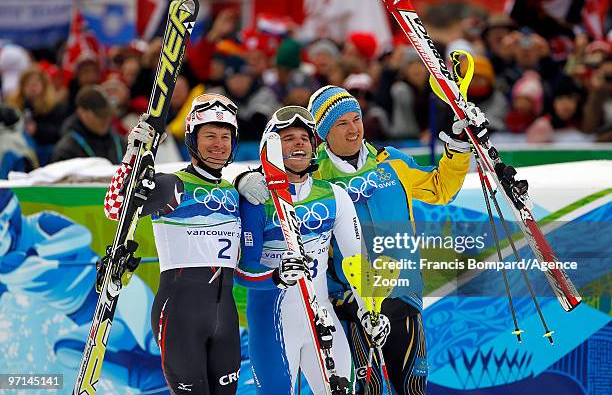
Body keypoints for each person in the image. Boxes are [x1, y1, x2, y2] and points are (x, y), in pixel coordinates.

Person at [235, 86, 487, 394]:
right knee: (366, 390)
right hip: (350, 302)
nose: (353, 129)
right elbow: (279, 177)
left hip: (402, 293)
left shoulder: (390, 161)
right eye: (341, 124)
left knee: (413, 387)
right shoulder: (317, 176)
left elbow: (440, 188)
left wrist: (460, 147)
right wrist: (244, 179)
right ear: (324, 133)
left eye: (356, 119)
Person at [234, 106, 383, 394]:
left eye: (304, 138)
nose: (299, 143)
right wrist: (276, 277)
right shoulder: (257, 197)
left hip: (320, 314)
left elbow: (357, 261)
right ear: (271, 147)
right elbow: (243, 271)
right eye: (288, 138)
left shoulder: (334, 195)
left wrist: (371, 311)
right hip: (272, 320)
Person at [103, 93, 242, 394]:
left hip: (225, 315)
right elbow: (115, 209)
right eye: (209, 136)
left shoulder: (234, 192)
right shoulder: (172, 184)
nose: (219, 144)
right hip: (180, 313)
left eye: (225, 137)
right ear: (192, 140)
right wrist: (131, 157)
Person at [0, 189, 165, 392]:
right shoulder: (3, 271)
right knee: (67, 351)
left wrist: (41, 253)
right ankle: (150, 380)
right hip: (94, 319)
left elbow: (80, 236)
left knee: (154, 343)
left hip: (116, 290)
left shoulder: (39, 224)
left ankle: (193, 372)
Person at [51, 85, 125, 164]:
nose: (106, 120)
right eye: (99, 115)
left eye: (108, 114)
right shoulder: (67, 150)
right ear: (82, 112)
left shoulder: (119, 142)